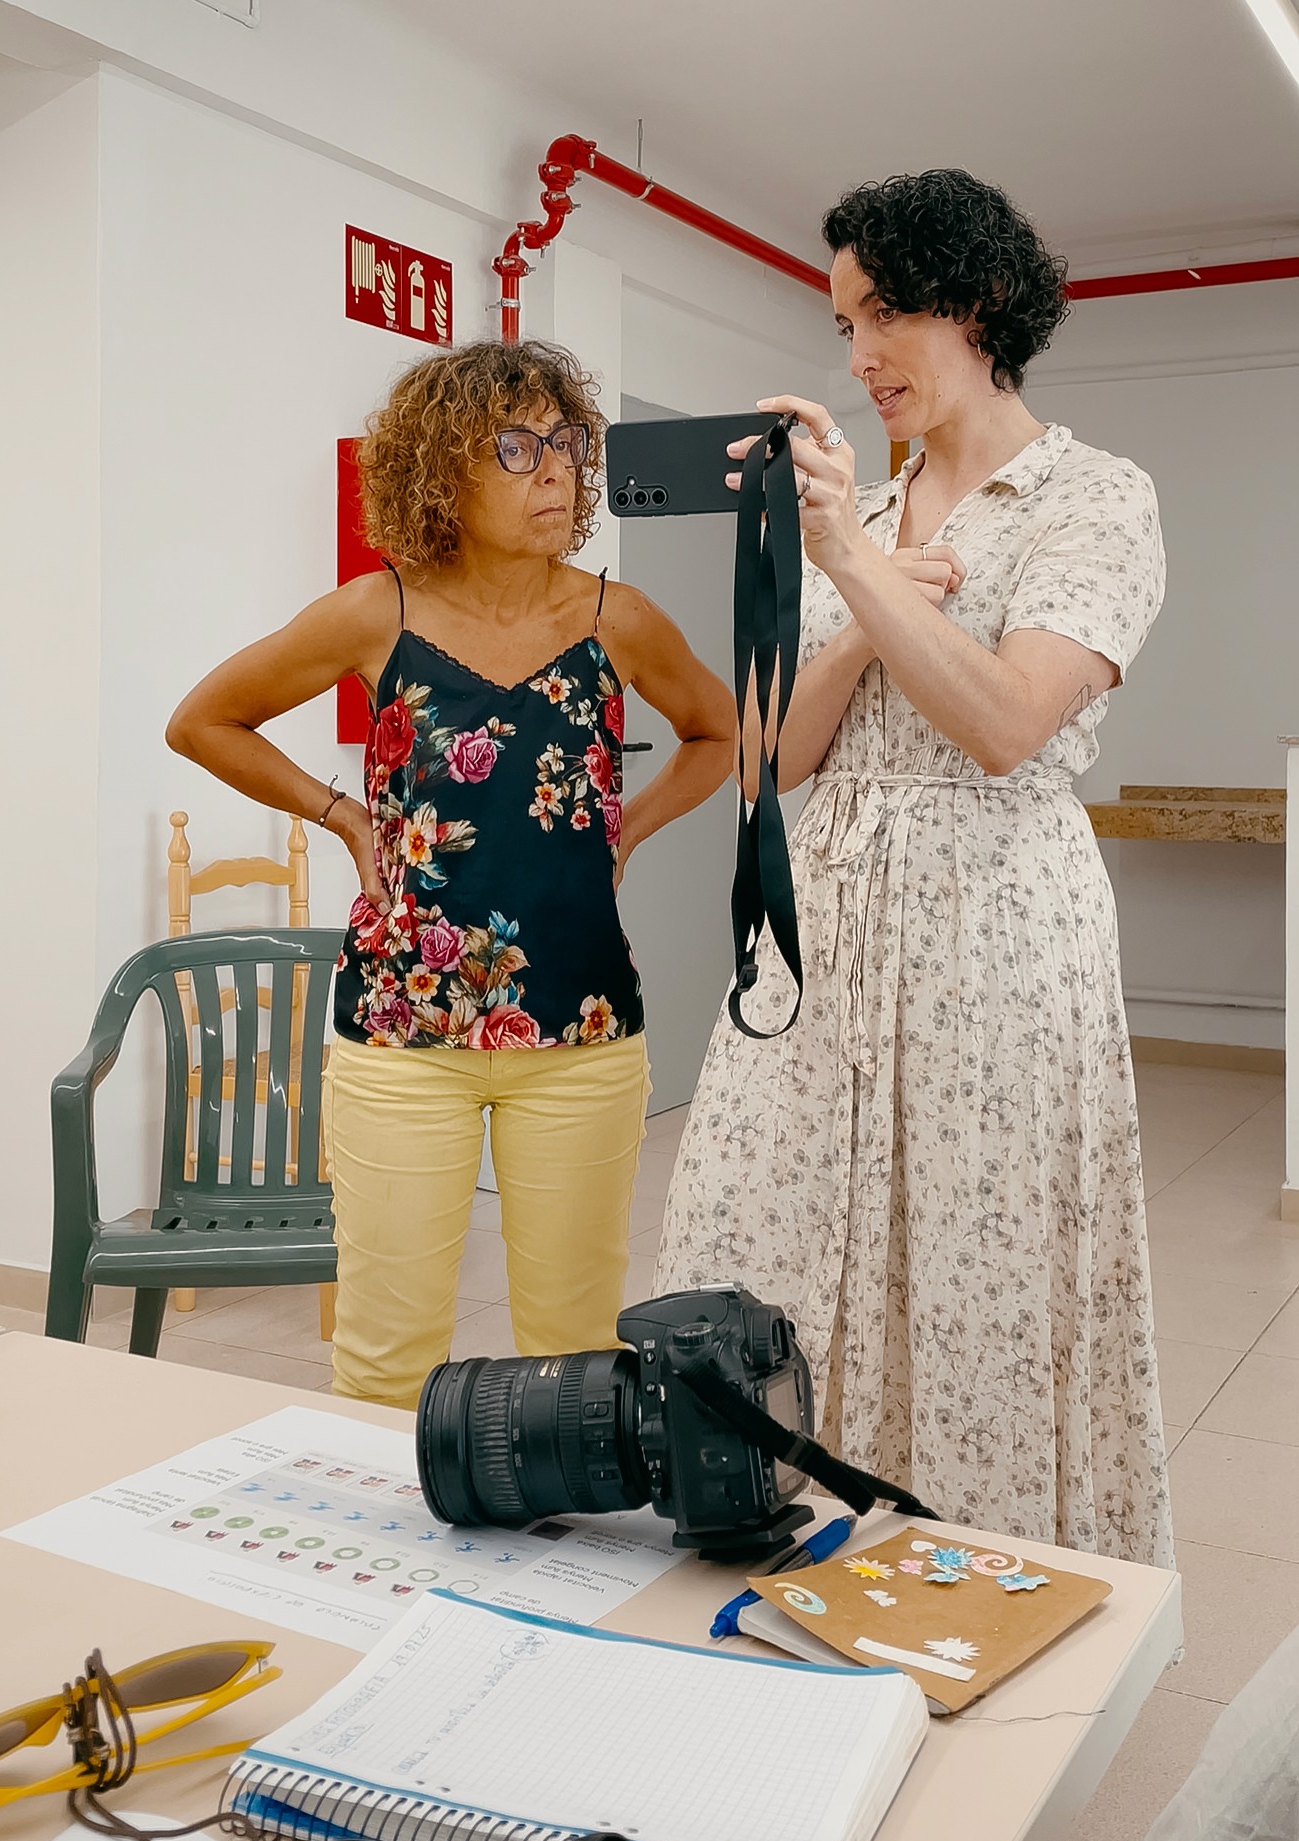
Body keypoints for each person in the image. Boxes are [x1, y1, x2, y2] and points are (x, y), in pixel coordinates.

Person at [655, 169, 1174, 1567]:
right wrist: (857, 588)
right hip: (823, 923)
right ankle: (786, 1535)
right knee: (759, 1227)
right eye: (845, 324)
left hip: (992, 923)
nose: (861, 356)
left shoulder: (1095, 499)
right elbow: (776, 756)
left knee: (972, 1259)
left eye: (887, 313)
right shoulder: (864, 509)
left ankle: (976, 1570)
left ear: (982, 303)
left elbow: (1007, 723)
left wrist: (855, 564)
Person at [168, 339, 735, 1410]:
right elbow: (203, 721)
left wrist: (630, 829)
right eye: (516, 447)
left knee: (574, 1351)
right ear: (442, 472)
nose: (554, 469)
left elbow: (718, 731)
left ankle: (554, 1514)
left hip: (579, 1029)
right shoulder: (374, 612)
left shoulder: (618, 619)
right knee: (387, 1357)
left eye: (566, 442)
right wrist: (340, 814)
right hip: (401, 1031)